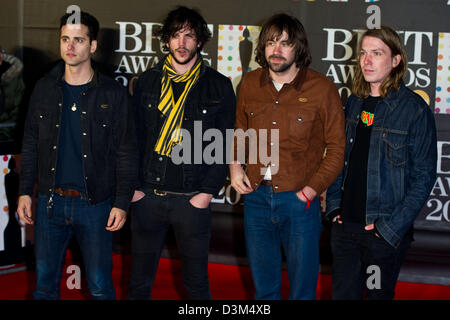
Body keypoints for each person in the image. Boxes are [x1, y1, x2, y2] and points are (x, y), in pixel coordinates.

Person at [17, 11, 138, 300]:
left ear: (93, 46)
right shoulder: (44, 87)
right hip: (49, 203)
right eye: (65, 39)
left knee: (99, 286)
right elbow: (31, 141)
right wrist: (24, 192)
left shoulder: (113, 93)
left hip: (94, 205)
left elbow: (126, 151)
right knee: (44, 285)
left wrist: (121, 202)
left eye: (79, 40)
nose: (70, 47)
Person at [230, 13, 345, 300]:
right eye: (271, 42)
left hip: (299, 202)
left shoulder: (322, 89)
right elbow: (239, 131)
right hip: (256, 198)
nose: (276, 50)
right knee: (264, 289)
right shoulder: (249, 83)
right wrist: (234, 167)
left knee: (302, 290)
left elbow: (337, 148)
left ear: (299, 48)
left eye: (285, 43)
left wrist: (311, 190)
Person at [128, 6, 236, 300]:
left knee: (197, 284)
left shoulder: (219, 85)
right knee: (139, 281)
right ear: (165, 41)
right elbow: (133, 138)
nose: (182, 43)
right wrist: (135, 189)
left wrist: (205, 194)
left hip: (191, 200)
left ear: (200, 41)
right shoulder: (147, 82)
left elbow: (223, 142)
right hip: (148, 197)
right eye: (175, 36)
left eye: (189, 36)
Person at [325, 26, 437, 300]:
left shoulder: (414, 110)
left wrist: (388, 230)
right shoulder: (354, 103)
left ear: (396, 60)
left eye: (377, 53)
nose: (367, 60)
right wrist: (335, 207)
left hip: (381, 236)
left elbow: (423, 177)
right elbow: (341, 156)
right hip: (345, 231)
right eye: (363, 53)